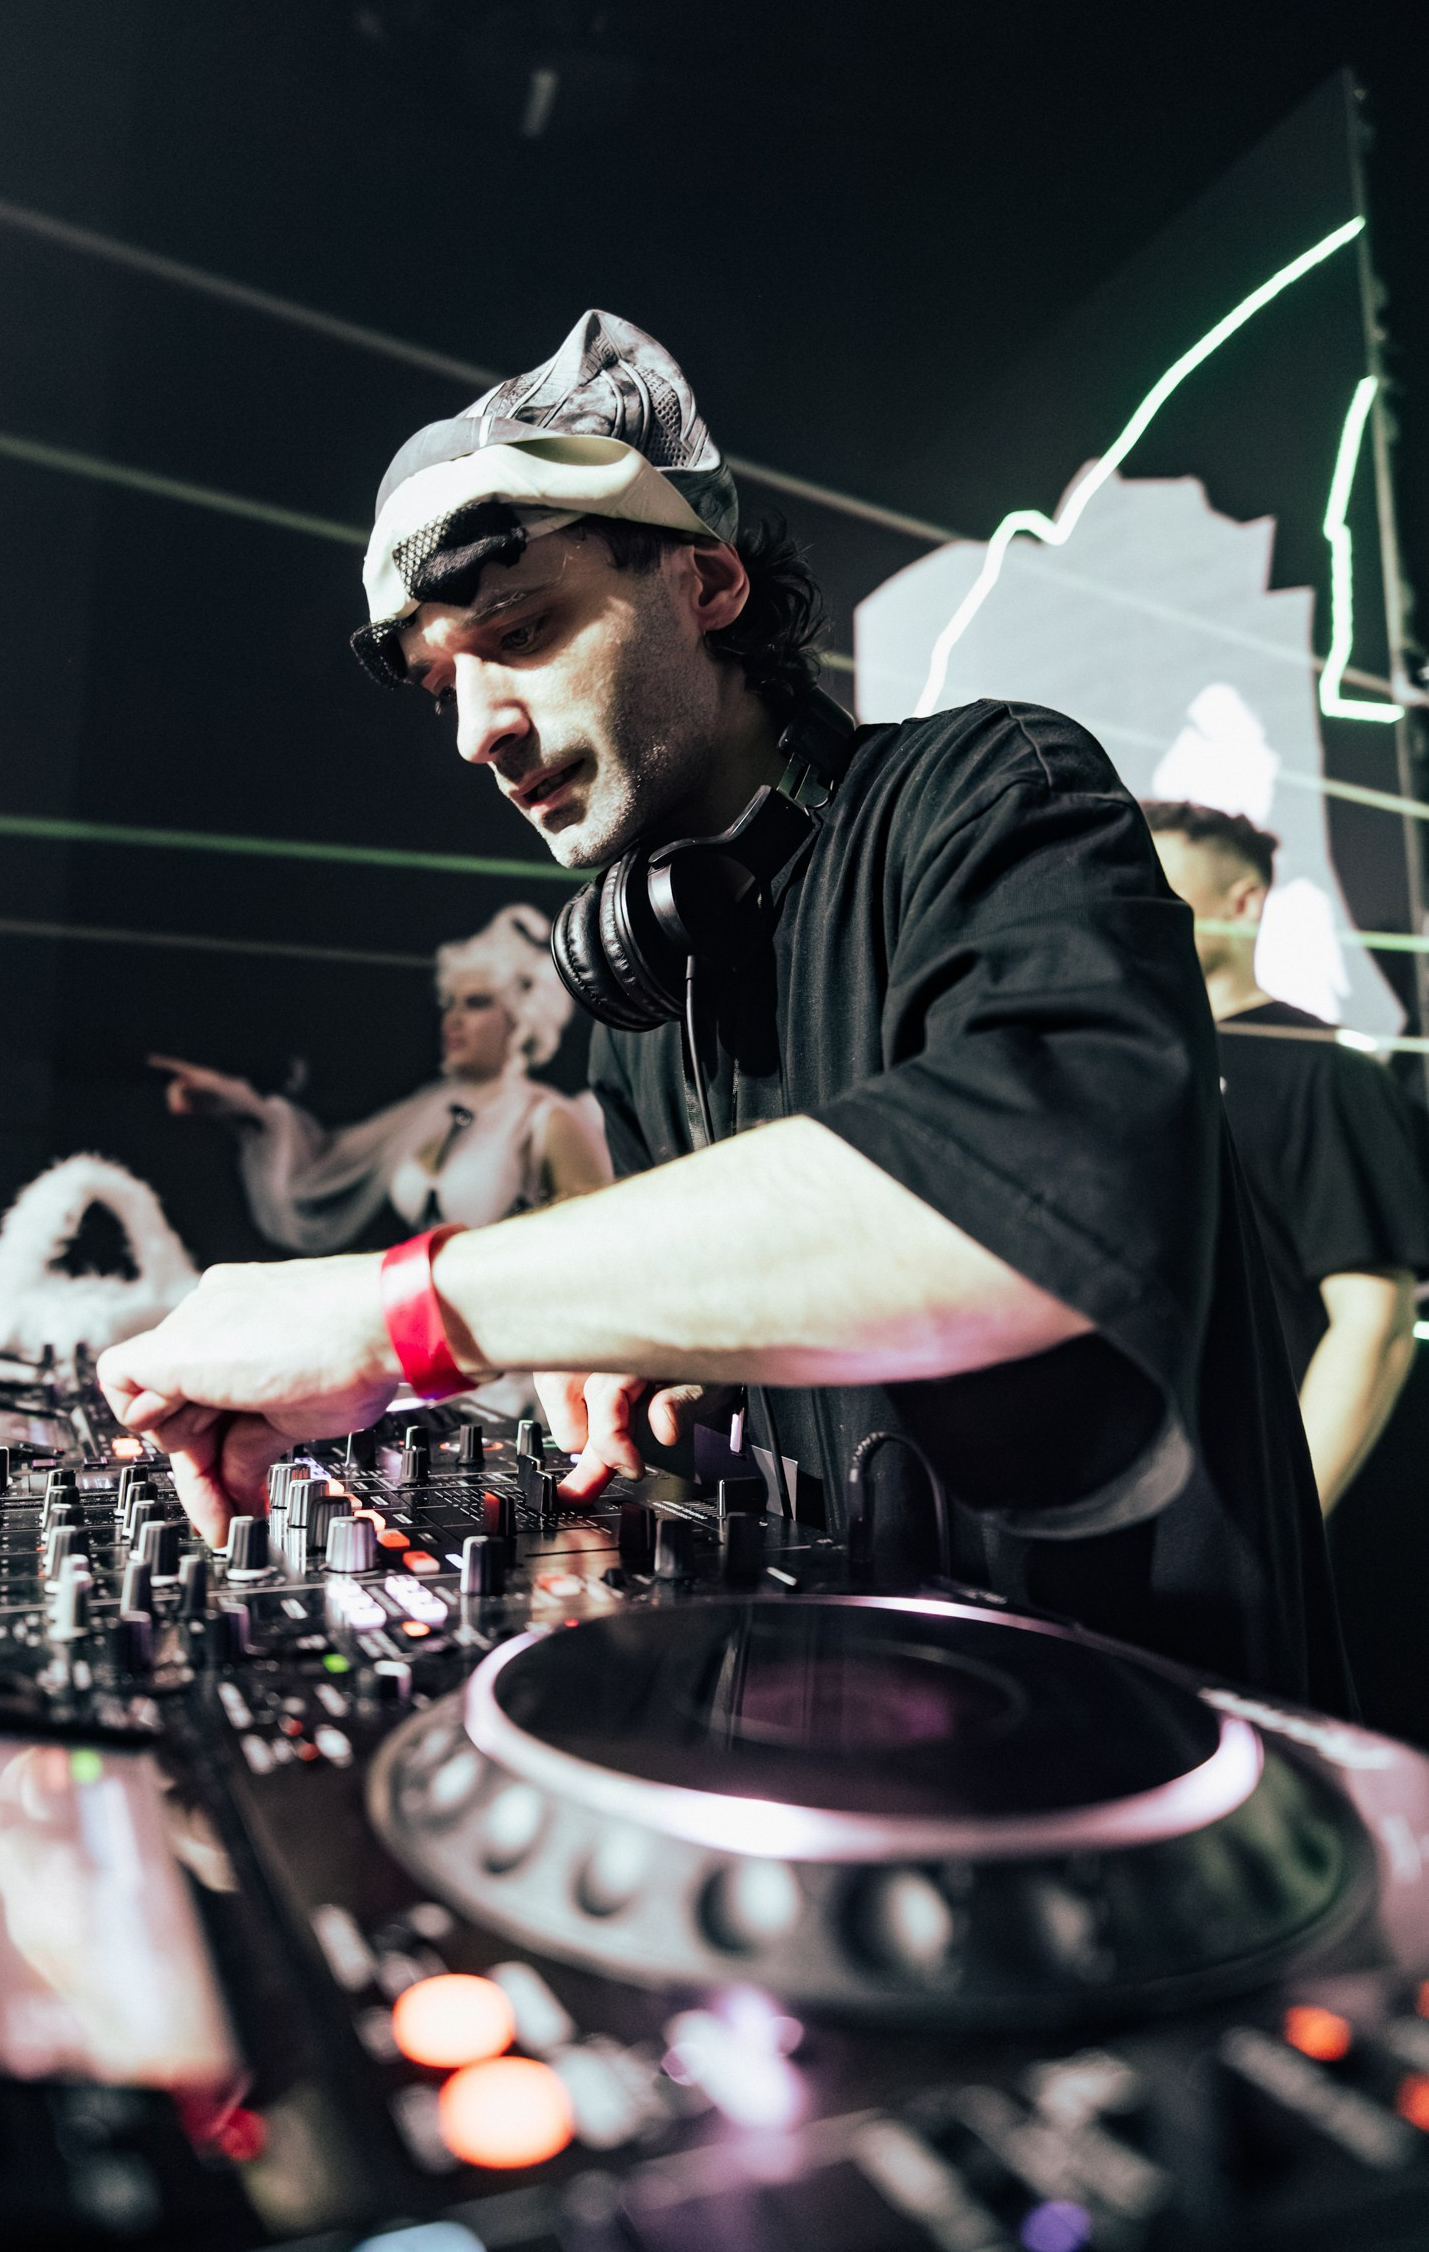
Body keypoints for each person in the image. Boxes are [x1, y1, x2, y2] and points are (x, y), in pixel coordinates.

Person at [99, 308, 1346, 1709]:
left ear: (705, 582)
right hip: (881, 1746)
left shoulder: (993, 788)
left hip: (1157, 1753)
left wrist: (399, 1315)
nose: (476, 730)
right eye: (445, 680)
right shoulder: (644, 998)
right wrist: (667, 1356)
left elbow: (1033, 1212)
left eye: (521, 631)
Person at [1144, 800, 1427, 1512]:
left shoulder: (1325, 1073)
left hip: (1256, 1508)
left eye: (1159, 882)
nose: (1133, 901)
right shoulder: (1116, 1067)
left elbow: (1372, 1324)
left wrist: (1288, 1528)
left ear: (1241, 903)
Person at [149, 904, 609, 1252]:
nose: (453, 1020)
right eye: (449, 1003)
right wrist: (241, 1105)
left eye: (475, 1003)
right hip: (430, 1325)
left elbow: (594, 1251)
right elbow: (325, 1167)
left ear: (521, 1018)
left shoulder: (546, 1119)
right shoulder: (430, 1108)